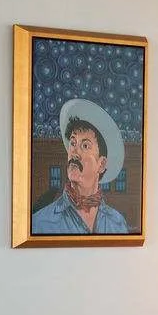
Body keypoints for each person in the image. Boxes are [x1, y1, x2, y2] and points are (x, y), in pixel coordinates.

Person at [30, 98, 129, 235]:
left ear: (101, 164)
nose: (74, 153)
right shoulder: (40, 223)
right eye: (73, 143)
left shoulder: (117, 224)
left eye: (85, 145)